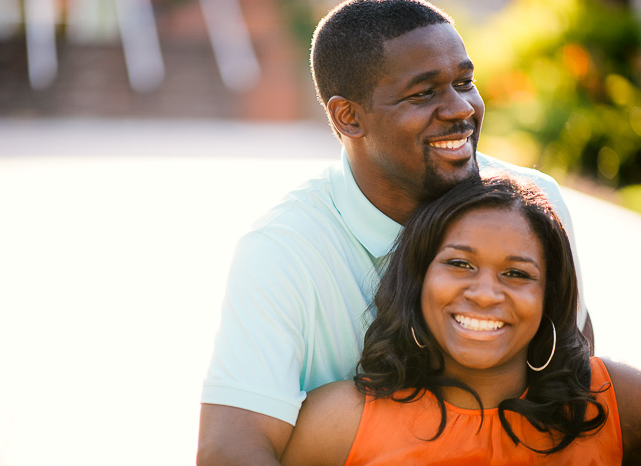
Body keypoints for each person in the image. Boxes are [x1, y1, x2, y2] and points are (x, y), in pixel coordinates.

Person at [197, 1, 593, 464]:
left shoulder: (534, 203)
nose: (461, 108)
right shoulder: (284, 251)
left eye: (464, 82)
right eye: (424, 93)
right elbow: (232, 447)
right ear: (349, 117)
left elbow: (572, 365)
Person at [280, 176, 641, 465]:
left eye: (516, 273)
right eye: (459, 264)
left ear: (549, 297)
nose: (485, 294)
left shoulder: (617, 402)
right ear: (418, 281)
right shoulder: (339, 424)